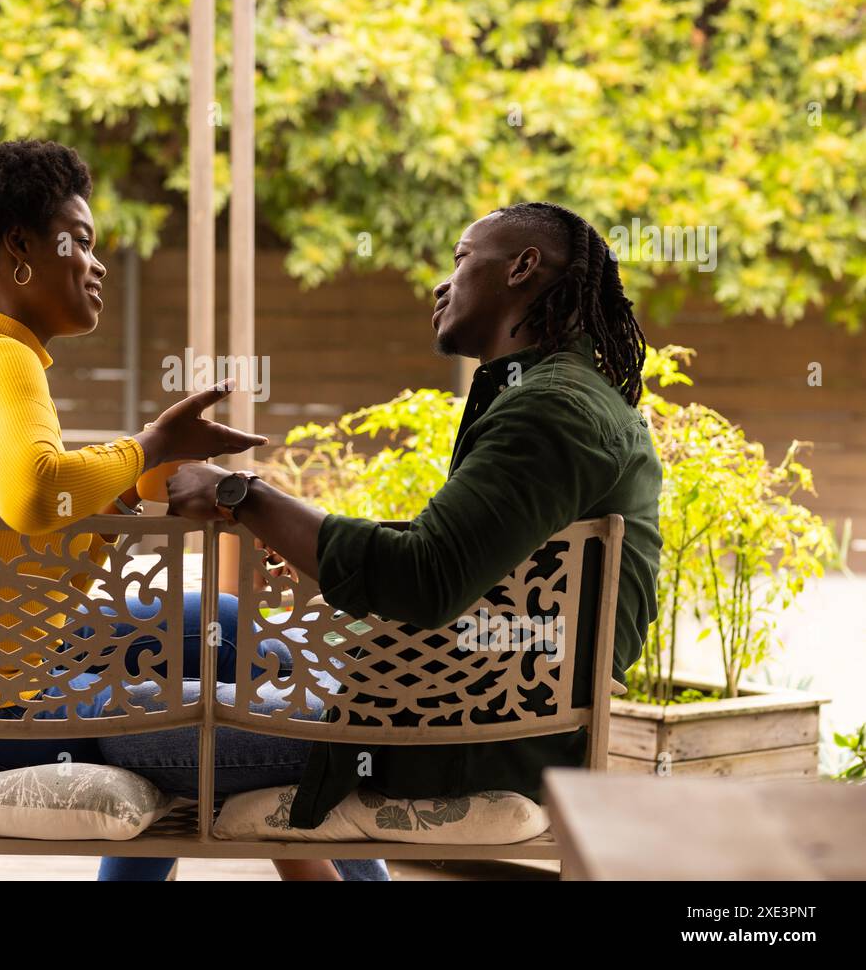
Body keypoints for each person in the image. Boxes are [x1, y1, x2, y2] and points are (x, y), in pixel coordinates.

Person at [0, 139, 386, 880]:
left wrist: (135, 486)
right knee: (235, 706)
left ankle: (311, 791)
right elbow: (37, 497)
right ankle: (331, 763)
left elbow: (40, 565)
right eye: (83, 244)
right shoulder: (0, 359)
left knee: (230, 630)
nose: (98, 265)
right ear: (19, 249)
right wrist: (147, 443)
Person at [115, 201, 663, 834]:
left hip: (463, 734)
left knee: (132, 717)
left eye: (461, 260)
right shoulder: (560, 396)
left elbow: (425, 578)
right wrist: (290, 531)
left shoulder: (549, 412)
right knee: (207, 633)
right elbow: (461, 556)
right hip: (462, 693)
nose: (442, 283)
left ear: (523, 268)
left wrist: (243, 495)